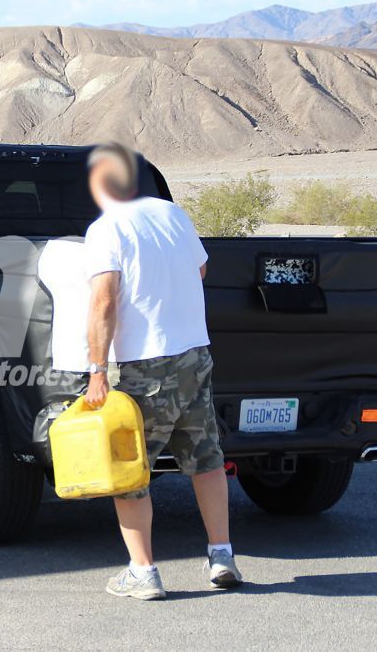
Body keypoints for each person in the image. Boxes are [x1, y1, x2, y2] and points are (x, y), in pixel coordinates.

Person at [82, 142, 242, 600]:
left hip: (148, 363)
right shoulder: (172, 215)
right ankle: (221, 555)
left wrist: (97, 369)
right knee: (205, 458)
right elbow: (202, 267)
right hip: (195, 353)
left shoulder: (106, 230)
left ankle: (143, 571)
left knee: (129, 467)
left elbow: (105, 300)